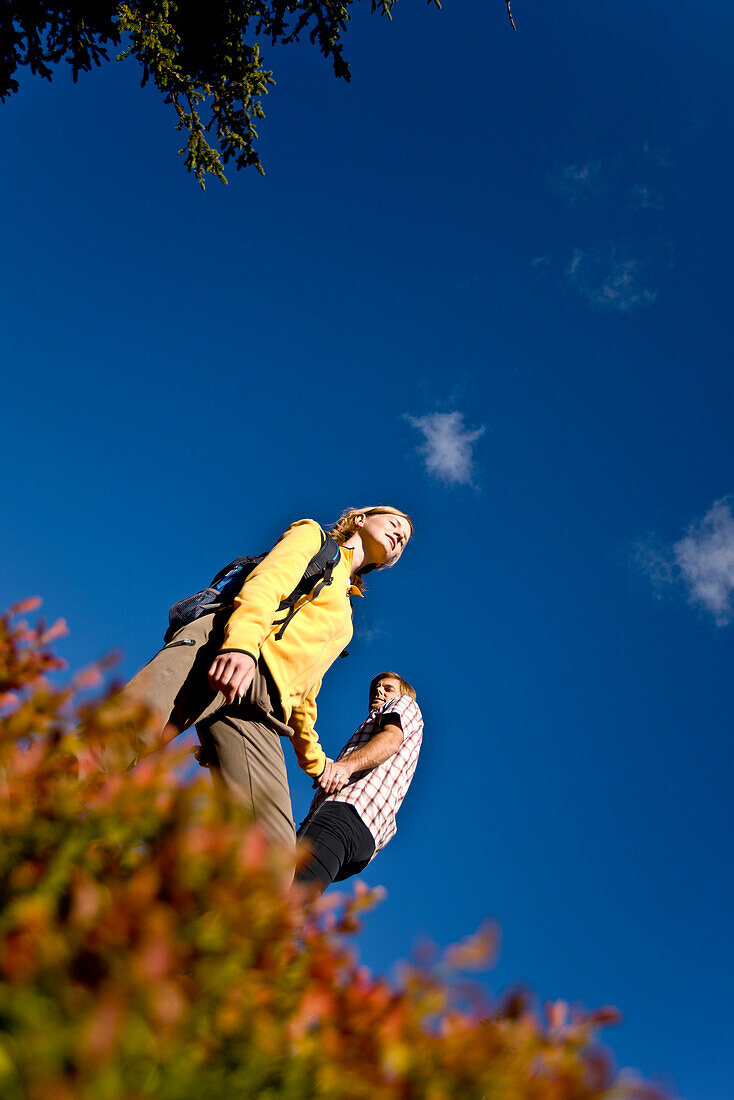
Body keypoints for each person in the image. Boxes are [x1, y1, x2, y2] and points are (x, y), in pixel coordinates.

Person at [116, 508, 413, 850]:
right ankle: (43, 804)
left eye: (404, 541)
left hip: (262, 712)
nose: (400, 536)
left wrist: (318, 764)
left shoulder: (345, 618)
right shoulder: (314, 537)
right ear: (360, 519)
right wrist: (241, 647)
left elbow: (304, 695)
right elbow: (266, 583)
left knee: (272, 853)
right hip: (225, 649)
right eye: (394, 524)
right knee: (122, 735)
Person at [295, 670, 423, 894]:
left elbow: (392, 738)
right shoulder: (376, 724)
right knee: (291, 894)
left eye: (387, 687)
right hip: (362, 835)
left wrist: (344, 767)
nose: (379, 690)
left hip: (346, 814)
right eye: (376, 687)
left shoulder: (403, 704)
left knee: (289, 897)